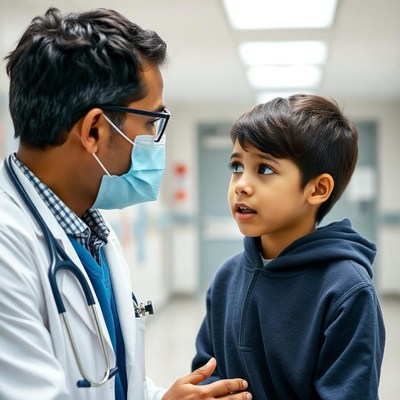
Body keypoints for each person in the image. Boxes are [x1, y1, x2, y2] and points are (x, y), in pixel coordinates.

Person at [0, 7, 252, 400]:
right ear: (95, 130)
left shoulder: (88, 229)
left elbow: (112, 383)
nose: (155, 138)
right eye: (151, 123)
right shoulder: (7, 249)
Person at [192, 94, 386, 399]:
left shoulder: (347, 290)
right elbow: (207, 372)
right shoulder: (227, 277)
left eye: (265, 169)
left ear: (317, 189)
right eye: (237, 166)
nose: (241, 184)